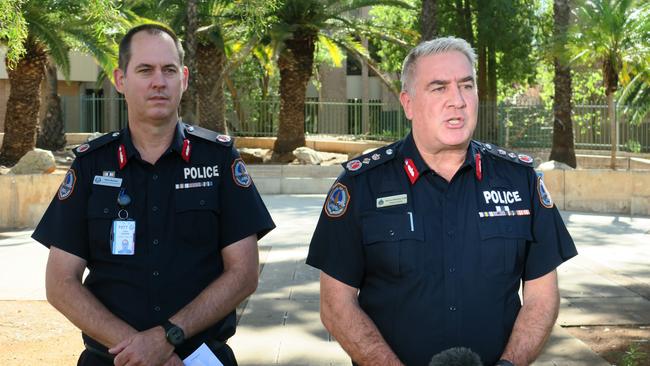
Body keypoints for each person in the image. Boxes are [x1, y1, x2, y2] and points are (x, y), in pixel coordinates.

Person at [306, 37, 577, 366]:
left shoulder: (519, 181)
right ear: (408, 103)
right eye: (439, 88)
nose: (458, 100)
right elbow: (336, 304)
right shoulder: (361, 185)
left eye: (466, 85)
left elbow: (542, 297)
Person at [32, 24, 275, 366]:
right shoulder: (91, 166)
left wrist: (168, 337)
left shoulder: (218, 160)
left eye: (169, 70)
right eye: (145, 70)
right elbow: (60, 283)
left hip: (200, 359)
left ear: (184, 78)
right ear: (120, 79)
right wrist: (139, 349)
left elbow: (244, 272)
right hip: (114, 359)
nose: (158, 81)